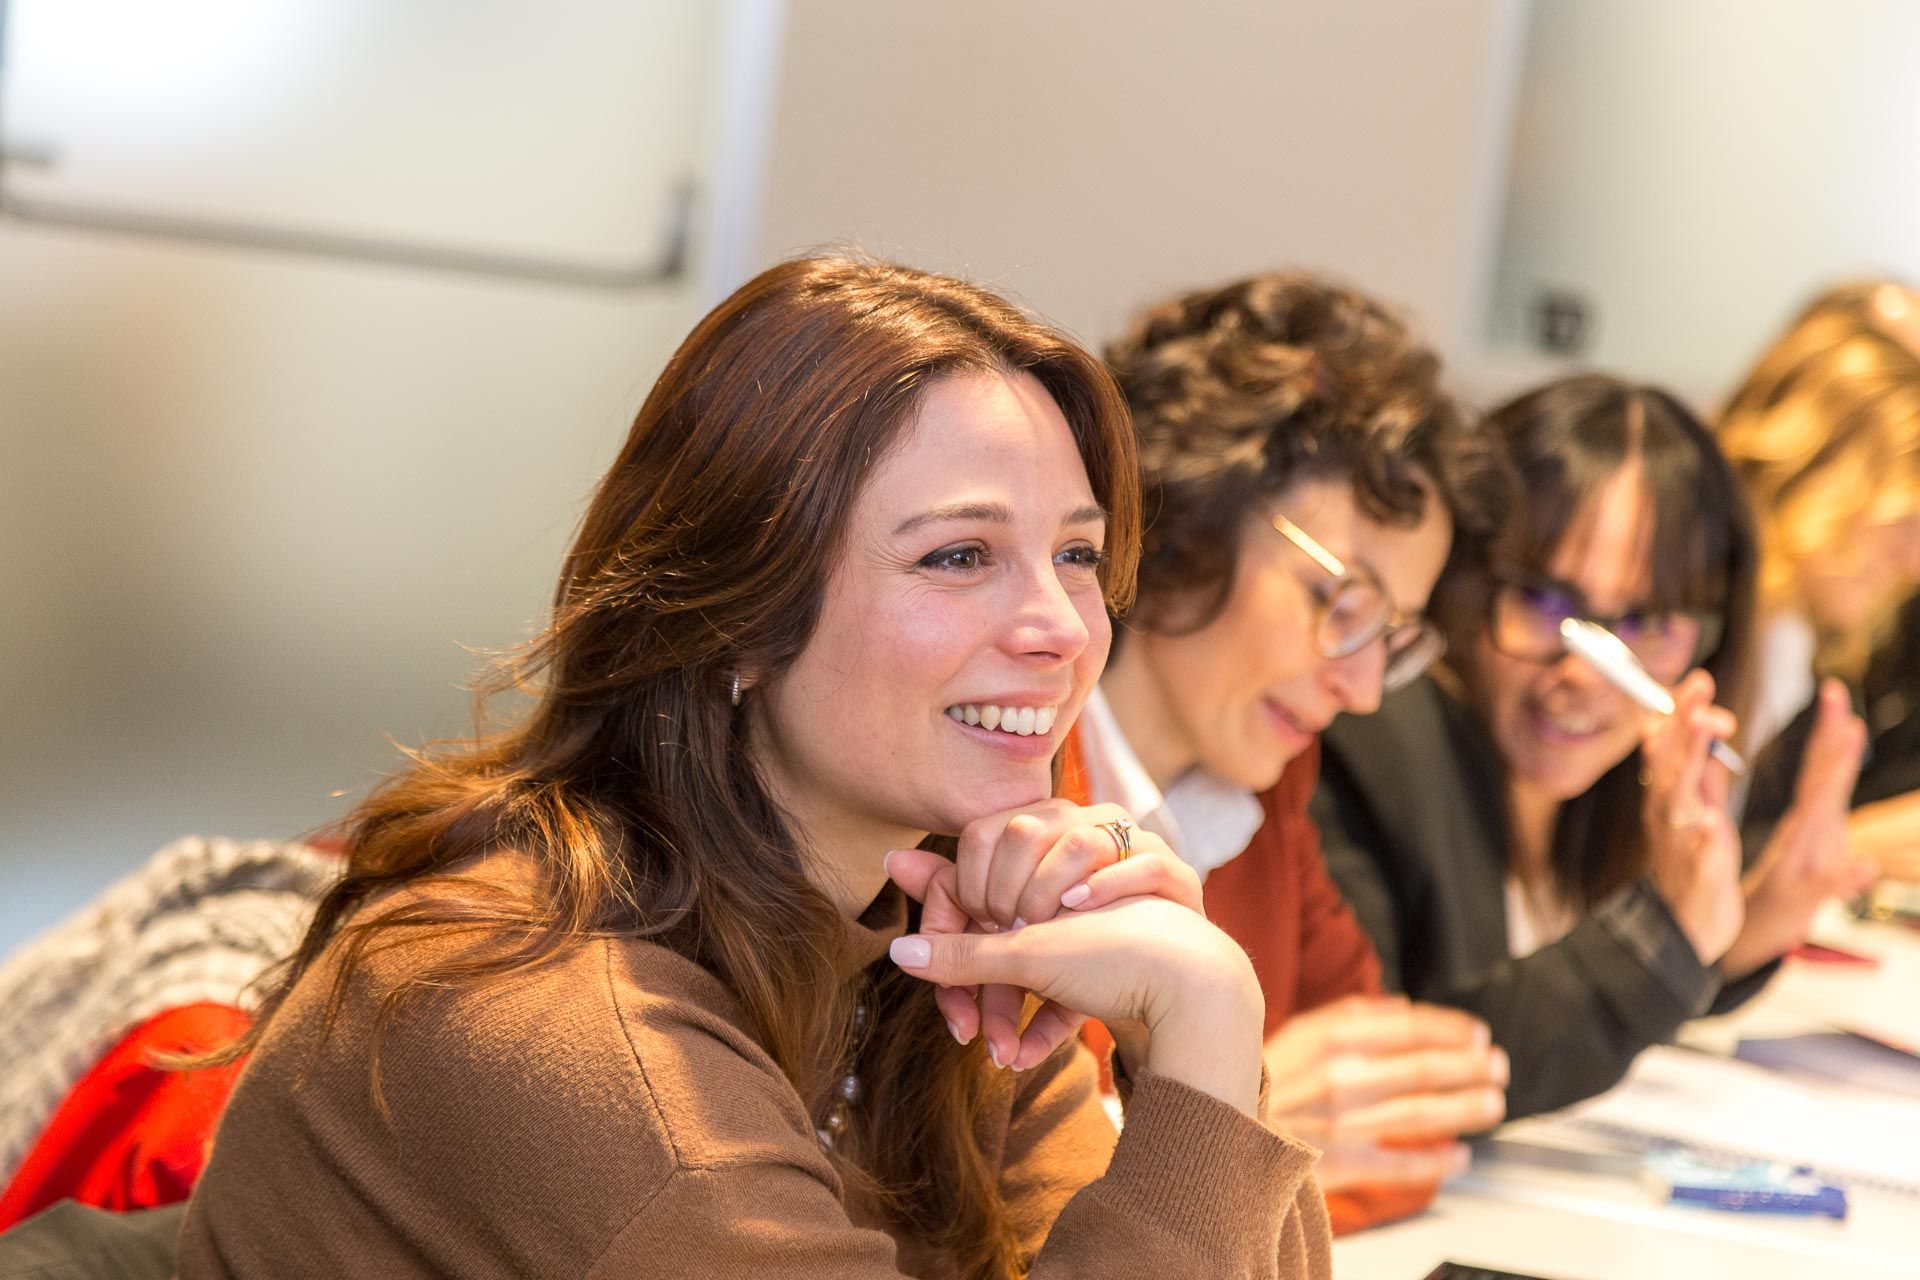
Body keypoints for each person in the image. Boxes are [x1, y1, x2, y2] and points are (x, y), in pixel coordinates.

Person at [174, 256, 1332, 1278]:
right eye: (959, 555)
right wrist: (1204, 1042)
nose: (1065, 627)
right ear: (736, 615)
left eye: (1076, 552)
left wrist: (1189, 1033)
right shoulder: (567, 1029)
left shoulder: (927, 936)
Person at [1048, 272, 1513, 1229]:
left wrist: (1239, 1136)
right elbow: (989, 1212)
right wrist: (1225, 1123)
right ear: (1190, 517)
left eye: (1395, 634)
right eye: (1341, 602)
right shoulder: (1004, 779)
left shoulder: (1268, 789)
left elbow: (1400, 1129)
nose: (1365, 689)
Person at [1313, 374, 1870, 1119]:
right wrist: (1665, 935)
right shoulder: (1374, 746)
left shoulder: (1617, 784)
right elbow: (1409, 1082)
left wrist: (1743, 927)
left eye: (1645, 623)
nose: (1586, 676)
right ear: (1461, 579)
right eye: (1544, 601)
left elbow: (1556, 1008)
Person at [1717, 282, 1920, 876]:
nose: (1913, 565)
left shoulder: (1792, 642)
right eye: (1902, 522)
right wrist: (1850, 845)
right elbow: (1654, 883)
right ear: (1813, 475)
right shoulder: (1689, 630)